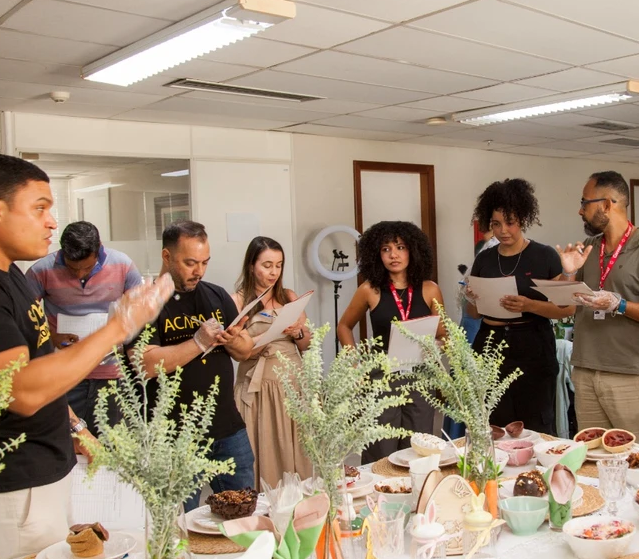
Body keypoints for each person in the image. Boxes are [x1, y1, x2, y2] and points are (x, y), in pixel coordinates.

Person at [0, 155, 173, 559]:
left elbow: (38, 361)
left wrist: (75, 426)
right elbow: (23, 390)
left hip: (39, 476)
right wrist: (119, 324)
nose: (52, 222)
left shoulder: (7, 274)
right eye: (40, 208)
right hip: (9, 488)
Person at [556, 171, 639, 450]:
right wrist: (567, 272)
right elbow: (562, 304)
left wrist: (619, 305)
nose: (580, 210)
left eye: (585, 202)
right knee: (593, 458)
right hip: (586, 371)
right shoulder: (588, 247)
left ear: (607, 205)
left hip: (630, 374)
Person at [140, 220, 256, 509]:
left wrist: (233, 339)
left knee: (244, 513)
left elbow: (244, 352)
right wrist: (198, 343)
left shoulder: (216, 295)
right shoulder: (146, 303)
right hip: (175, 437)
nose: (199, 271)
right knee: (180, 522)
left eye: (205, 262)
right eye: (190, 262)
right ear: (167, 256)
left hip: (228, 428)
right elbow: (147, 364)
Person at [463, 179, 572, 436]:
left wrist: (530, 305)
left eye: (509, 222)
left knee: (534, 424)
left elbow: (567, 309)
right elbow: (475, 314)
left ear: (523, 219)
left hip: (532, 345)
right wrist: (471, 299)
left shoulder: (544, 256)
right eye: (496, 224)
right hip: (490, 345)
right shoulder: (485, 259)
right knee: (493, 424)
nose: (503, 231)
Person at [336, 220, 446, 463]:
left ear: (413, 251)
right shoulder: (369, 289)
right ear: (377, 255)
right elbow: (343, 326)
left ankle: (417, 496)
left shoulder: (430, 289)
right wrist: (355, 363)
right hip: (381, 377)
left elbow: (444, 335)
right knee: (381, 449)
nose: (393, 255)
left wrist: (436, 347)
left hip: (420, 377)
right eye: (386, 249)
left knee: (419, 448)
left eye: (400, 247)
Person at [26, 221, 143, 430]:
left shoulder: (123, 265)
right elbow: (24, 319)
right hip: (64, 374)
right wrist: (51, 335)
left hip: (111, 375)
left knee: (112, 445)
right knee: (68, 441)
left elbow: (140, 314)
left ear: (98, 251)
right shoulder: (41, 270)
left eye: (86, 268)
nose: (79, 274)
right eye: (72, 268)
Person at [227, 236, 312, 488]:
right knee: (262, 450)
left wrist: (297, 331)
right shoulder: (238, 301)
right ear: (252, 265)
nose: (273, 271)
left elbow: (305, 344)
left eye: (279, 265)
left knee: (295, 448)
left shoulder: (288, 296)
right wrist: (273, 332)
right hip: (259, 386)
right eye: (267, 265)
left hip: (292, 383)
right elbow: (237, 352)